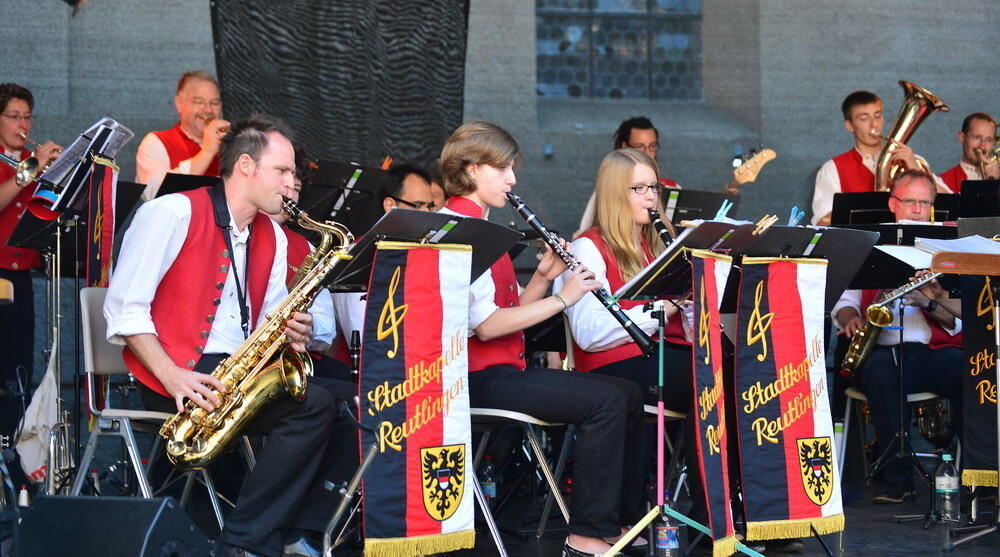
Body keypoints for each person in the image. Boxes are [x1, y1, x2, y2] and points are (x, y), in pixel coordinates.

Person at [106, 114, 340, 556]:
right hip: (175, 375)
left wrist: (294, 331)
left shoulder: (272, 234)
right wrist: (173, 376)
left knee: (348, 397)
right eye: (283, 171)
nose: (293, 183)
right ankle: (247, 539)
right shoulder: (171, 213)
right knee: (313, 406)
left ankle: (287, 533)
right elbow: (124, 310)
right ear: (247, 167)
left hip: (234, 368)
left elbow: (267, 319)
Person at [438, 120, 646, 557]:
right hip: (469, 378)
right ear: (472, 169)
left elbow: (503, 316)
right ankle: (585, 532)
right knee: (604, 401)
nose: (513, 179)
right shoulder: (457, 227)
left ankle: (618, 522)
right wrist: (564, 299)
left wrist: (544, 280)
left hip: (498, 368)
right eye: (503, 168)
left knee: (627, 392)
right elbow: (488, 327)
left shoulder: (483, 225)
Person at [833, 169, 963, 504]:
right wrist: (850, 319)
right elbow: (844, 302)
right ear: (894, 203)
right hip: (879, 349)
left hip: (929, 351)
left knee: (967, 369)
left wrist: (928, 300)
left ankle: (977, 472)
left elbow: (956, 323)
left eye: (925, 202)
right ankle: (897, 480)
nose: (918, 209)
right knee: (879, 374)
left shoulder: (944, 248)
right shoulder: (869, 243)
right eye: (911, 201)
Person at [0, 83, 61, 454]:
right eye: (13, 116)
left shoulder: (29, 158)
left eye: (26, 116)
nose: (22, 123)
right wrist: (31, 169)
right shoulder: (24, 163)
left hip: (23, 274)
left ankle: (13, 452)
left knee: (19, 369)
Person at [811, 90, 948, 226]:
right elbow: (821, 221)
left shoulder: (911, 160)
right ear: (850, 125)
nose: (874, 124)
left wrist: (914, 167)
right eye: (864, 118)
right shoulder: (832, 168)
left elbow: (949, 201)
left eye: (877, 116)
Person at [135, 71, 230, 199]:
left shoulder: (229, 144)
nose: (208, 110)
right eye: (198, 102)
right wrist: (208, 151)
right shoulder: (156, 142)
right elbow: (152, 194)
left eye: (214, 103)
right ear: (179, 103)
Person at [938, 112, 999, 192]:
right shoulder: (942, 182)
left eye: (988, 140)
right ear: (962, 137)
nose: (982, 146)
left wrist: (997, 183)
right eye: (977, 137)